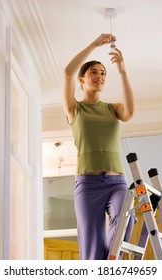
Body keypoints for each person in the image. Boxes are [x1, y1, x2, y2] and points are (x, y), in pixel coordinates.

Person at [62, 33, 136, 260]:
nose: (99, 76)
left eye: (103, 73)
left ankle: (112, 262)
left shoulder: (113, 109)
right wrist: (94, 44)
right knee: (91, 243)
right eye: (93, 72)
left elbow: (130, 112)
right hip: (87, 184)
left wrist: (122, 71)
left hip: (117, 181)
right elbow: (67, 73)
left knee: (126, 216)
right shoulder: (75, 109)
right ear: (82, 80)